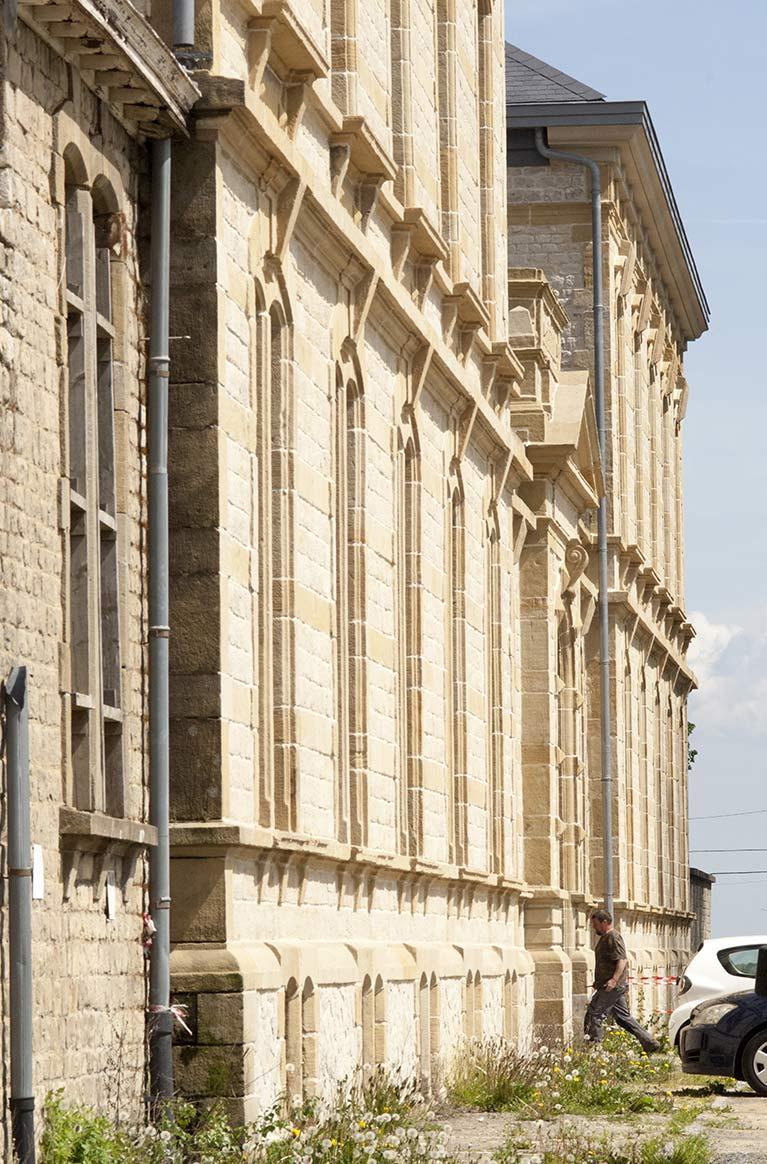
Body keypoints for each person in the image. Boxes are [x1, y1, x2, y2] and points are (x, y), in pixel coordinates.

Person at [584, 909, 660, 1053]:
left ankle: (594, 1051)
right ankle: (650, 1043)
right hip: (607, 985)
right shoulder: (606, 937)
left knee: (595, 1014)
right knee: (623, 1018)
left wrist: (613, 980)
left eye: (595, 924)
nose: (594, 927)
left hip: (612, 986)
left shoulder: (613, 936)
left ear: (604, 922)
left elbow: (622, 960)